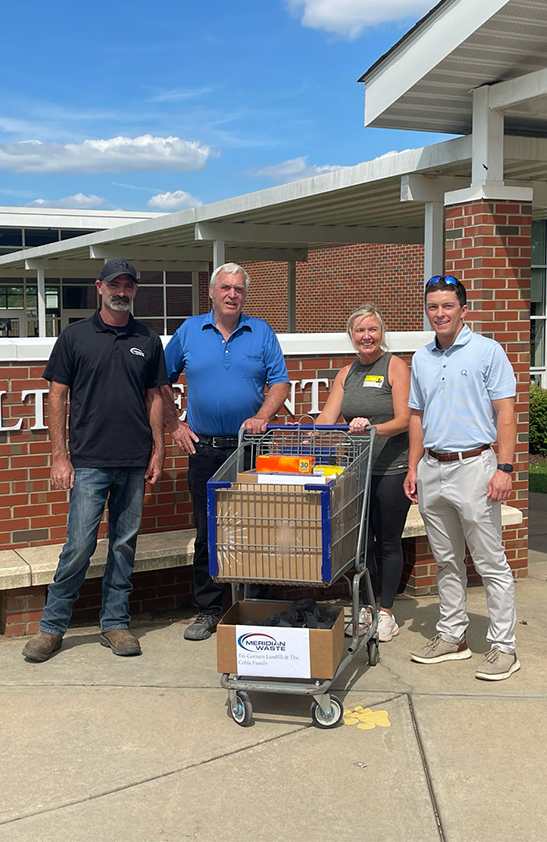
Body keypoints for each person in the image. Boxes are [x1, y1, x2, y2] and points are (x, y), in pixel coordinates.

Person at [22, 257, 168, 663]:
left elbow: (155, 396)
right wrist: (59, 456)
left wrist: (158, 448)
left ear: (135, 290)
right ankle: (51, 628)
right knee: (79, 546)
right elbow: (57, 396)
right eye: (114, 285)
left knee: (123, 546)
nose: (122, 292)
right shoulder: (74, 336)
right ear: (99, 287)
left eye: (129, 286)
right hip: (87, 460)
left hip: (134, 459)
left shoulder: (148, 339)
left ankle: (115, 623)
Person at [161, 263, 290, 641]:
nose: (232, 294)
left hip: (252, 448)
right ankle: (210, 609)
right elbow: (159, 382)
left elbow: (280, 382)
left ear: (244, 295)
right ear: (213, 293)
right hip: (205, 450)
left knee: (261, 528)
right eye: (225, 288)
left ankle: (258, 606)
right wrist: (175, 425)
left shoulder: (261, 331)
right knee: (209, 532)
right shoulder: (189, 331)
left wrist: (263, 415)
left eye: (239, 289)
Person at [404, 275, 520, 681]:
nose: (440, 313)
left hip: (475, 467)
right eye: (433, 306)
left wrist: (504, 468)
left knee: (490, 562)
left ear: (463, 310)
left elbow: (506, 413)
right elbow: (417, 416)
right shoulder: (421, 359)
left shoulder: (488, 352)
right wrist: (413, 466)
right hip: (432, 469)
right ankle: (452, 637)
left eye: (447, 306)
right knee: (446, 560)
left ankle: (504, 647)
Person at [315, 304, 411, 642]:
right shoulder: (347, 373)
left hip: (391, 469)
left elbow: (404, 419)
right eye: (360, 331)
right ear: (351, 336)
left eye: (372, 330)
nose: (366, 336)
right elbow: (327, 418)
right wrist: (307, 434)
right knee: (361, 542)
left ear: (381, 332)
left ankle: (386, 613)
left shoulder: (395, 367)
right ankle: (367, 607)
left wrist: (372, 427)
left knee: (387, 540)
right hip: (357, 471)